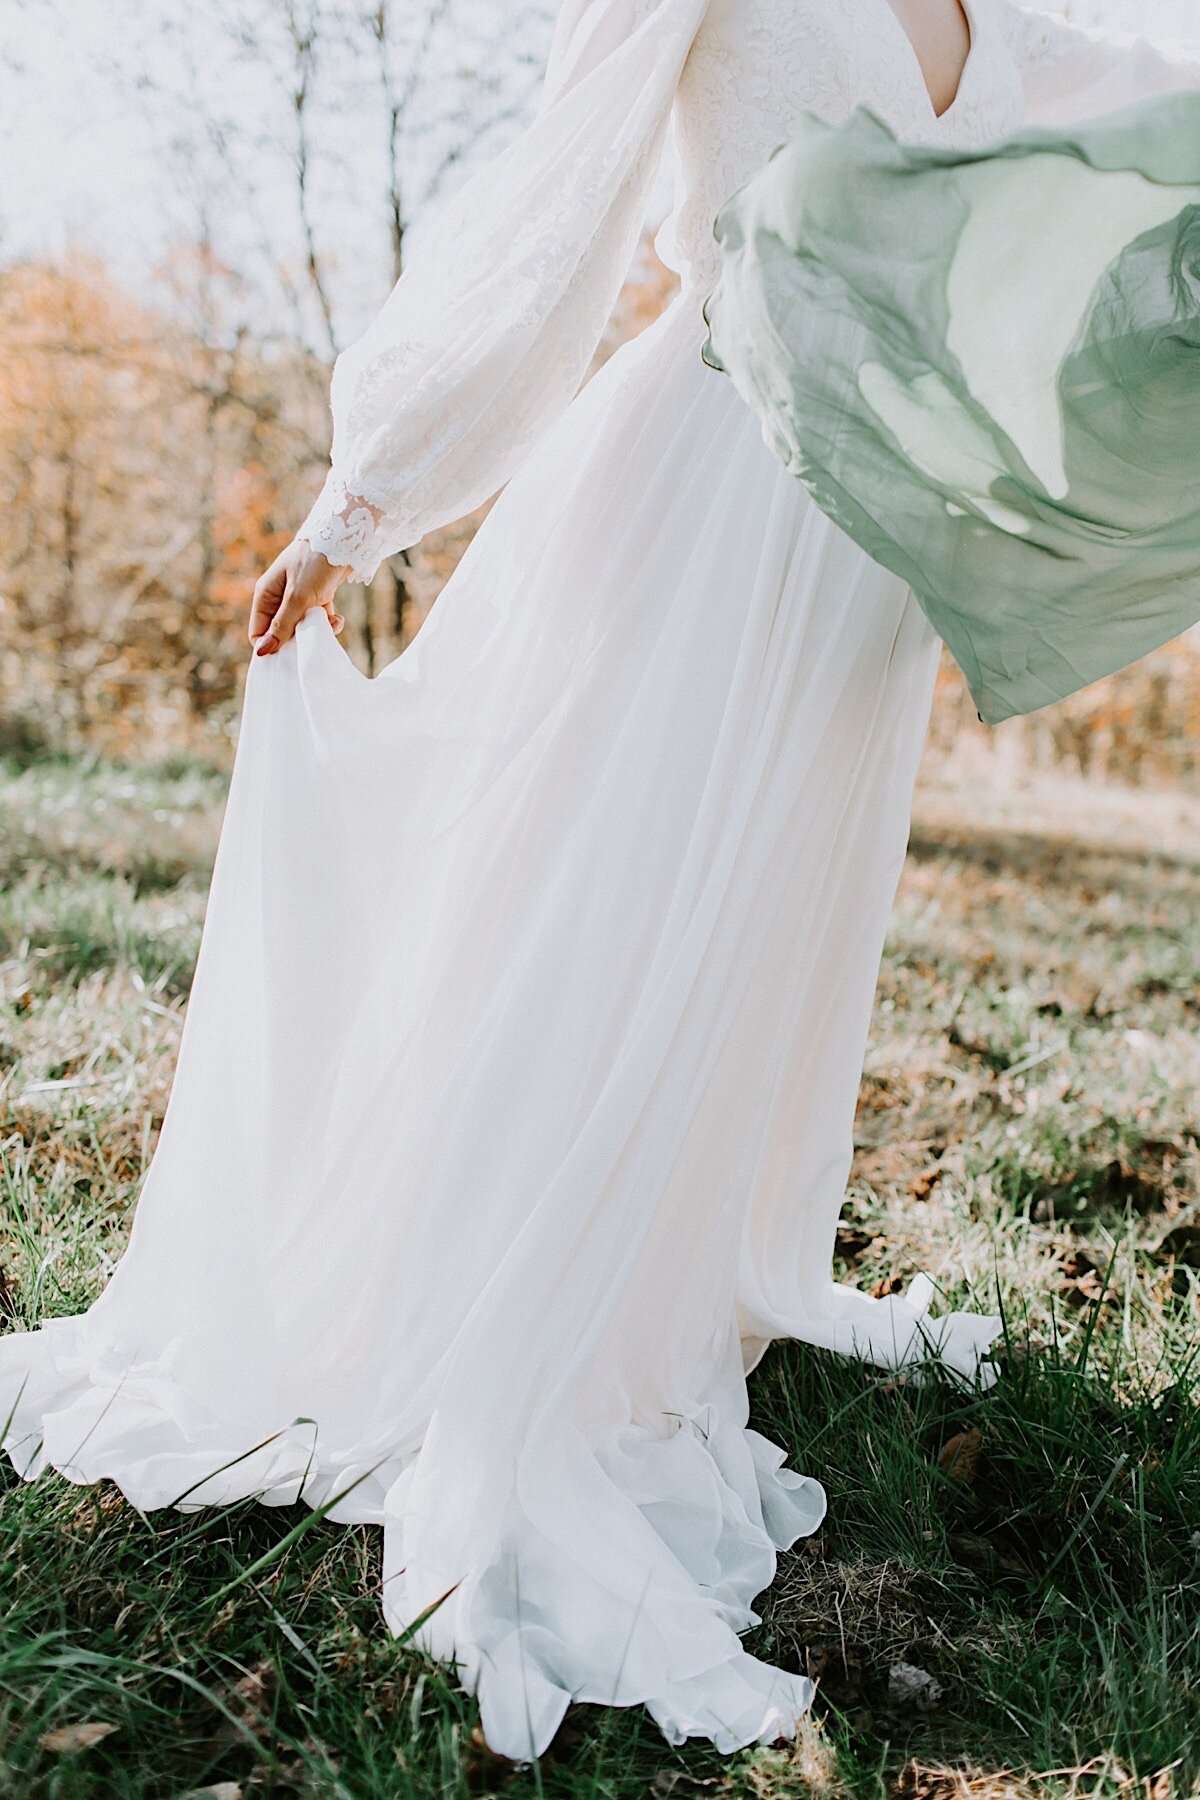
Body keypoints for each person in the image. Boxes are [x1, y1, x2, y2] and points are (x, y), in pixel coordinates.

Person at [3, 0, 1197, 1763]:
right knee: (593, 896)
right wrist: (367, 494)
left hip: (860, 548)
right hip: (704, 475)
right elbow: (554, 215)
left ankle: (662, 1270)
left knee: (742, 940)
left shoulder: (1005, 19)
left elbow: (1121, 141)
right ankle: (485, 1286)